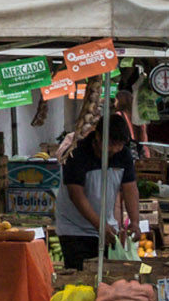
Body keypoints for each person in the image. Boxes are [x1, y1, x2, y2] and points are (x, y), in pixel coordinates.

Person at [55, 114, 139, 270]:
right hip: (74, 229)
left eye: (120, 144)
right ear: (98, 137)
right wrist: (99, 225)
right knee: (80, 276)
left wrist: (134, 221)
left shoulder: (124, 155)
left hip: (106, 227)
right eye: (111, 143)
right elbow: (76, 195)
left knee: (107, 275)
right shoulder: (75, 153)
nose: (115, 149)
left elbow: (130, 188)